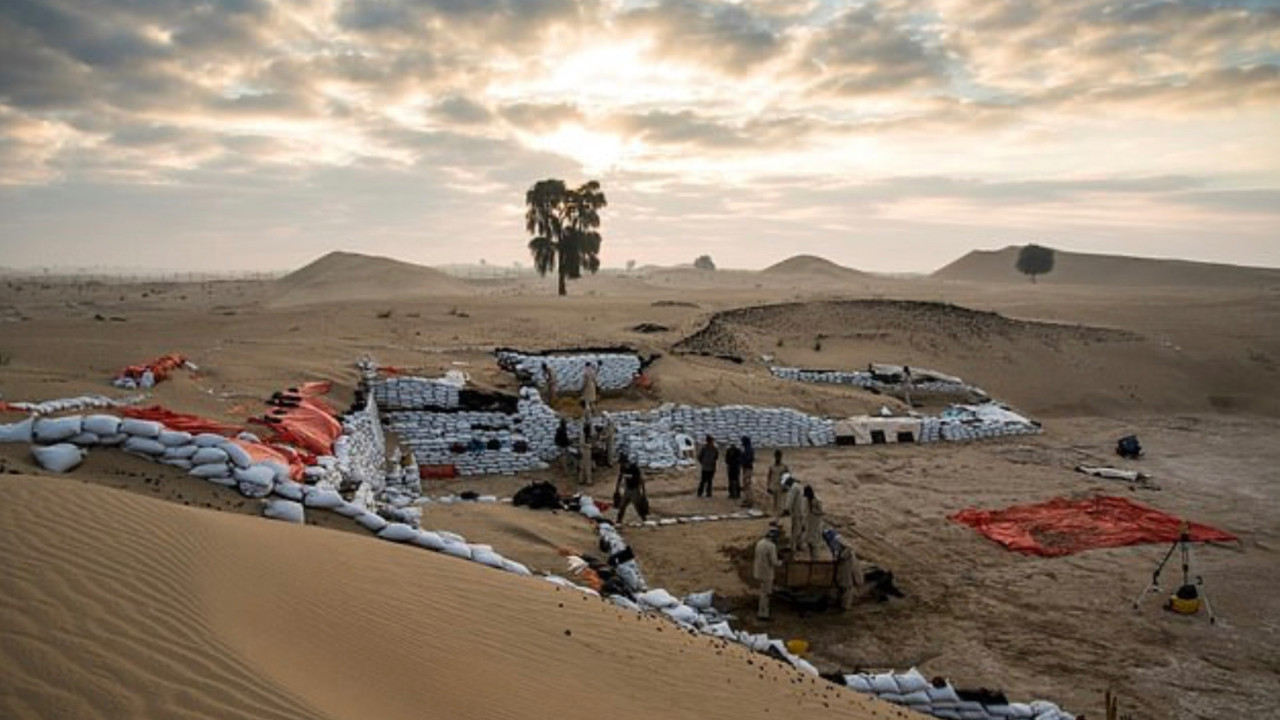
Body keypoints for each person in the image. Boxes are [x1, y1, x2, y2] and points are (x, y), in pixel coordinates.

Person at [825, 529, 863, 612]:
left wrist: (841, 557)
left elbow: (849, 549)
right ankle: (838, 603)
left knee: (846, 586)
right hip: (842, 564)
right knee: (840, 584)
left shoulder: (840, 541)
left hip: (846, 565)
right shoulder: (834, 541)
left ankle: (844, 606)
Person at [753, 524, 783, 621]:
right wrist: (781, 563)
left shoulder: (760, 543)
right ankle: (763, 614)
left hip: (758, 571)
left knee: (762, 592)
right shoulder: (771, 546)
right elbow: (774, 562)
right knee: (766, 594)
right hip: (767, 573)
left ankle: (762, 612)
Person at [613, 454, 648, 523]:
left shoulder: (634, 468)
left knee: (638, 506)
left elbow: (641, 480)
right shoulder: (623, 468)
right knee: (622, 506)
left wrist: (643, 492)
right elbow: (620, 477)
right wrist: (617, 489)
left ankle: (644, 519)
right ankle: (618, 521)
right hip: (627, 489)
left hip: (635, 490)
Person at [781, 476, 807, 552]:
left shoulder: (793, 488)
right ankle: (801, 545)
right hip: (803, 511)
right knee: (802, 528)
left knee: (795, 529)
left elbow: (790, 499)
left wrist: (786, 509)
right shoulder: (799, 486)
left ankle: (793, 547)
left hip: (796, 512)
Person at [800, 485, 826, 560]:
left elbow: (821, 512)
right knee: (809, 541)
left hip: (815, 523)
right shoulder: (807, 500)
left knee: (815, 543)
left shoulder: (817, 500)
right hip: (809, 523)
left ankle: (815, 559)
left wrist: (814, 512)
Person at [766, 450, 790, 516]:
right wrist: (768, 486)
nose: (778, 458)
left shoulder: (784, 467)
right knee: (774, 503)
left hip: (781, 486)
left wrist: (786, 486)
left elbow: (787, 477)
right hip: (774, 486)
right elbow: (769, 476)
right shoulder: (772, 467)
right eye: (777, 456)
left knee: (781, 502)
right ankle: (775, 516)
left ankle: (779, 516)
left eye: (779, 456)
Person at [739, 436, 756, 507]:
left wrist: (742, 459)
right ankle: (747, 499)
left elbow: (748, 459)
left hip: (747, 468)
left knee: (747, 484)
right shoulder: (748, 449)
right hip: (747, 468)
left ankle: (749, 501)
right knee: (746, 484)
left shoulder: (748, 450)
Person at [577, 422, 593, 486]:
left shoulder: (582, 435)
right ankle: (588, 480)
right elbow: (588, 444)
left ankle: (581, 479)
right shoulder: (587, 436)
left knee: (582, 466)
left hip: (582, 450)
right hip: (586, 451)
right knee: (588, 466)